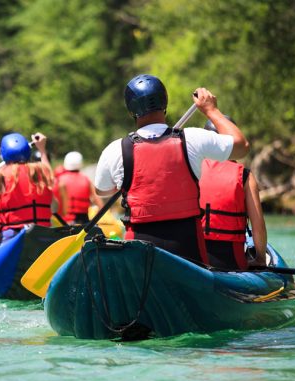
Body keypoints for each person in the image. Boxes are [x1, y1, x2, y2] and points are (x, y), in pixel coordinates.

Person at [94, 74, 249, 263]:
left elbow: (102, 191)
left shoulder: (115, 150)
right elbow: (242, 146)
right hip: (188, 249)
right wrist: (211, 111)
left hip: (140, 251)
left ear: (131, 110)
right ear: (164, 102)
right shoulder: (193, 138)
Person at [200, 119, 267, 270]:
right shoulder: (245, 176)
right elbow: (258, 226)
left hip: (194, 257)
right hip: (231, 260)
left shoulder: (191, 168)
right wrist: (260, 258)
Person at [57, 151, 103, 224]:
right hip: (84, 222)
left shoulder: (60, 179)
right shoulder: (86, 180)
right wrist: (93, 222)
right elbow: (100, 205)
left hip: (65, 222)